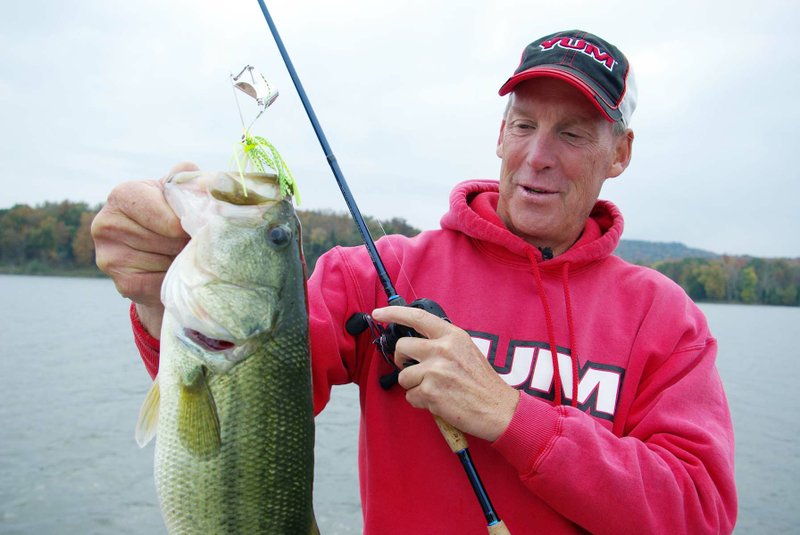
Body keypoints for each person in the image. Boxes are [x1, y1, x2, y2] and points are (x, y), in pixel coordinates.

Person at [92, 30, 737, 534]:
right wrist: (156, 301)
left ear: (620, 152)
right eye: (523, 125)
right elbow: (247, 375)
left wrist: (514, 417)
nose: (539, 155)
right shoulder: (379, 273)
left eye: (571, 133)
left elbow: (699, 513)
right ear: (499, 134)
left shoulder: (665, 319)